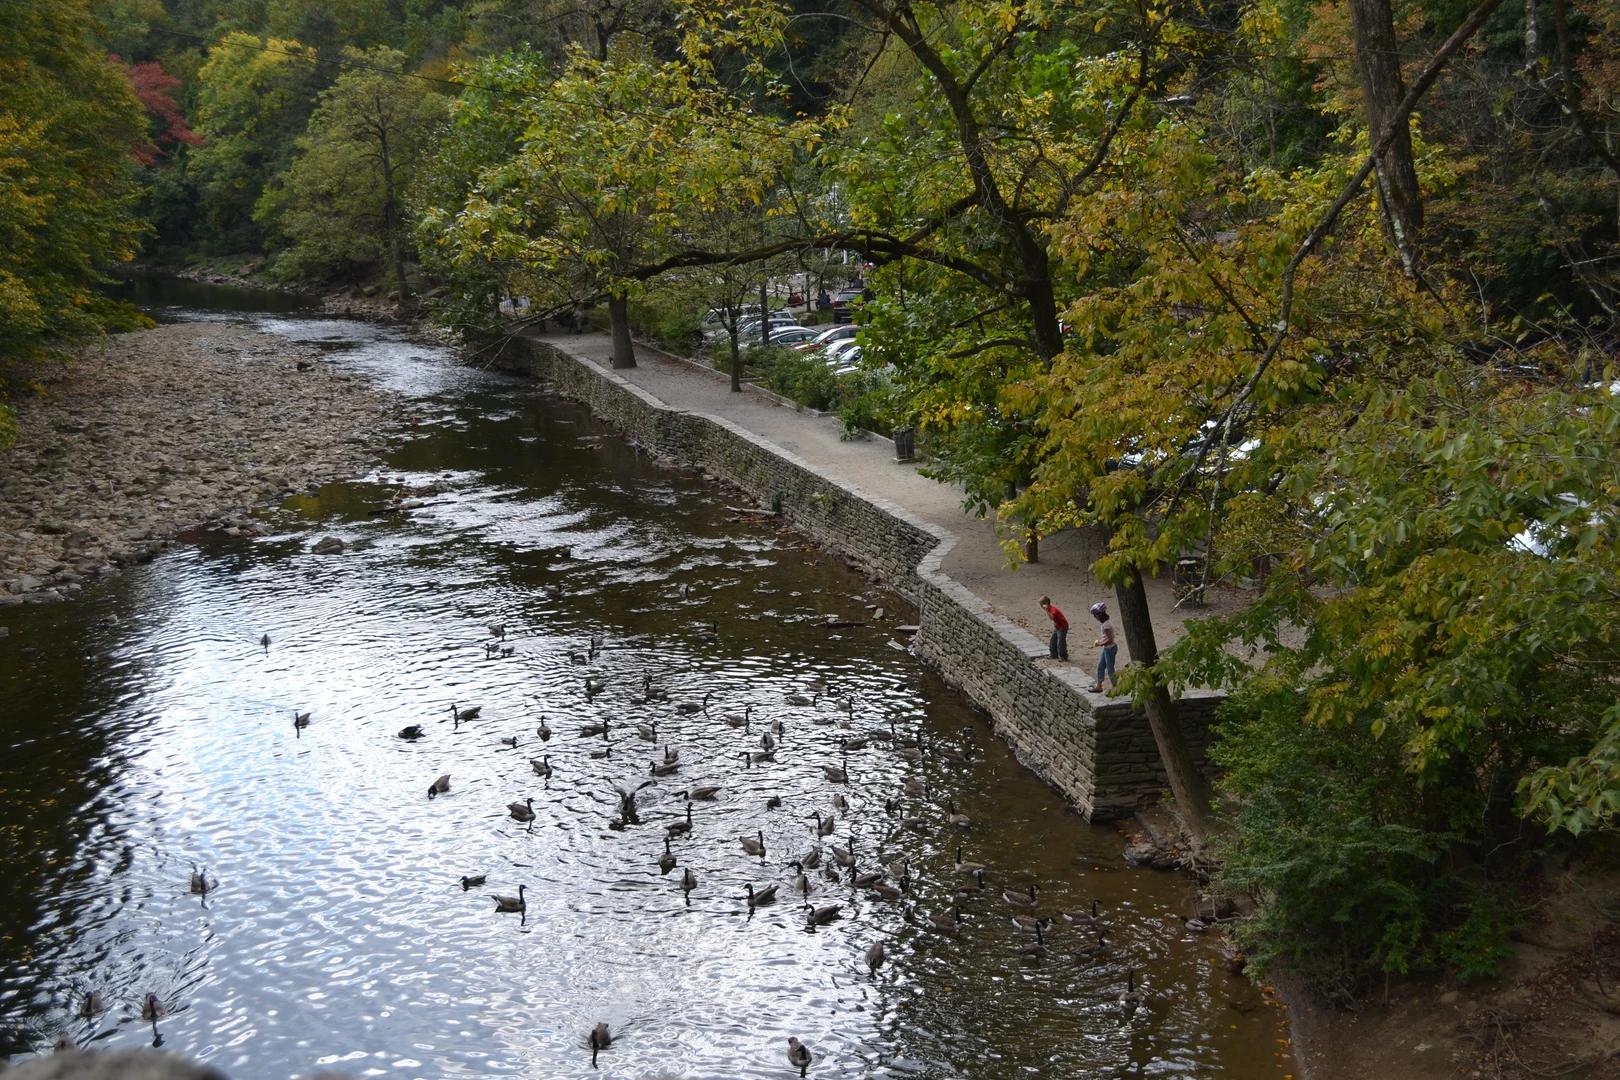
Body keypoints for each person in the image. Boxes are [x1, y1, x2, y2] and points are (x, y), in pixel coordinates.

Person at [1090, 602, 1118, 692]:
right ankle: (1099, 686)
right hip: (1106, 648)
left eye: (1095, 615)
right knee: (1100, 666)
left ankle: (1115, 687)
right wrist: (1101, 641)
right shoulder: (1105, 624)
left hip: (1110, 649)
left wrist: (1100, 643)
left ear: (1100, 614)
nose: (1095, 617)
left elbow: (1110, 639)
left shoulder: (1106, 625)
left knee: (1110, 669)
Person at [1039, 595, 1069, 661]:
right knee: (1053, 640)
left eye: (1041, 605)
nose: (1041, 607)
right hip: (1058, 626)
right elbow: (1054, 619)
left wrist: (1046, 610)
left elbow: (1051, 617)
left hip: (1063, 626)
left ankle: (1063, 656)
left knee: (1060, 642)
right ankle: (1053, 654)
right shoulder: (1050, 609)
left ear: (1046, 604)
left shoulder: (1052, 609)